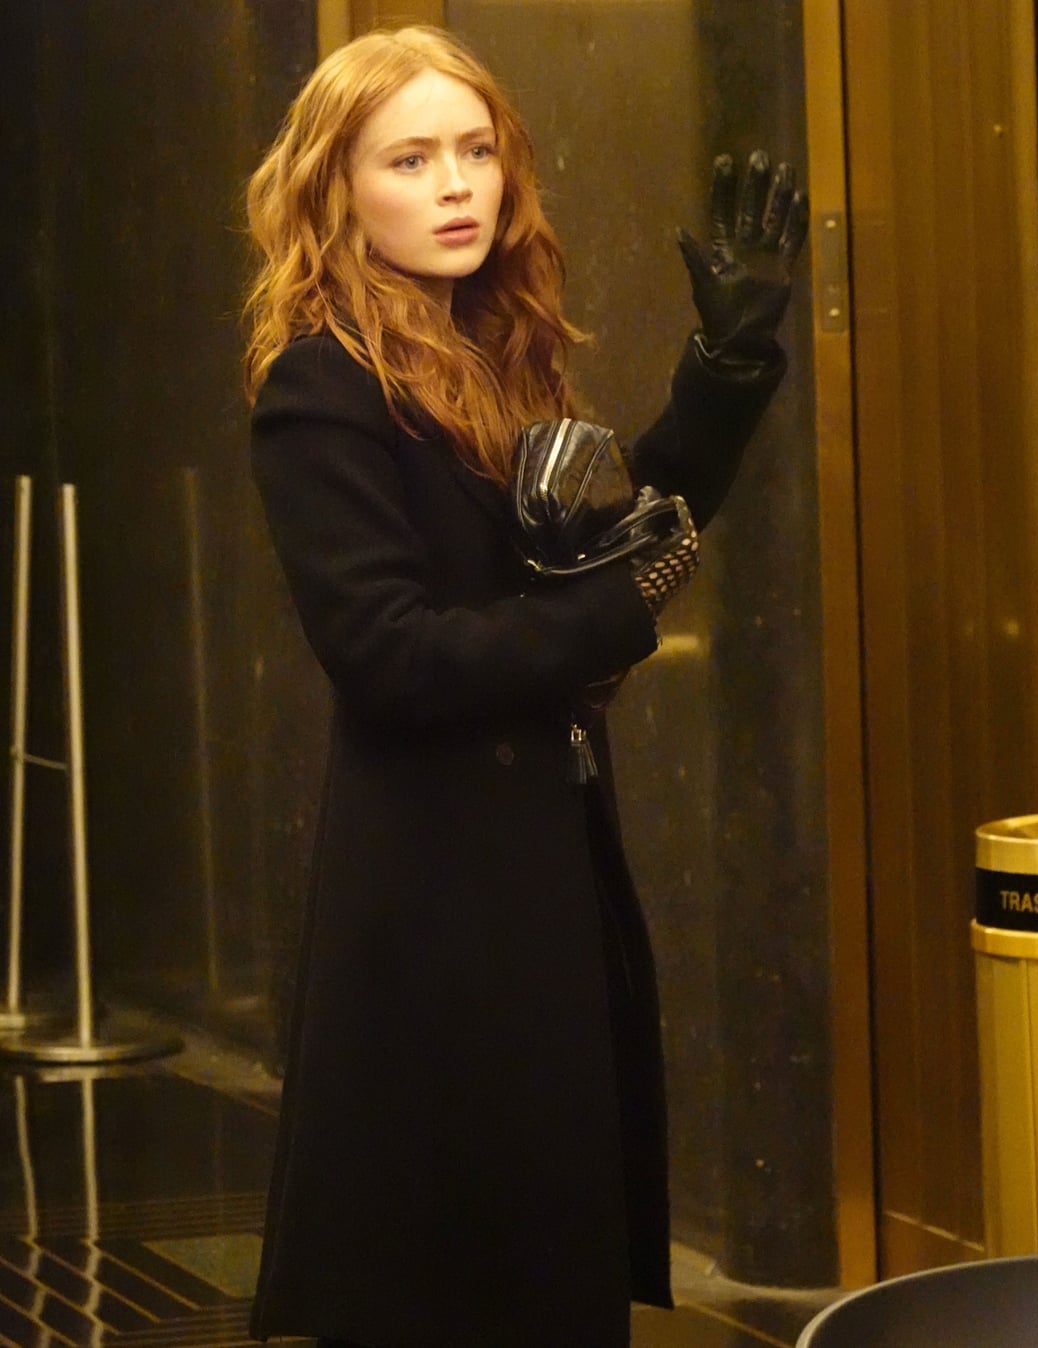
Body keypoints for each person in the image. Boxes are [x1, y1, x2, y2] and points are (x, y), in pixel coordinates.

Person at [242, 23, 806, 1348]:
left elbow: (611, 534)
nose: (457, 185)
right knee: (452, 1292)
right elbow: (390, 655)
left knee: (542, 1275)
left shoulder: (488, 352)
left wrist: (726, 368)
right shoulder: (322, 385)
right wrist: (619, 613)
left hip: (534, 870)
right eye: (410, 159)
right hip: (435, 909)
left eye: (477, 150)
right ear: (336, 190)